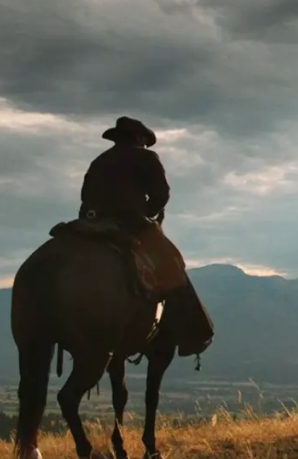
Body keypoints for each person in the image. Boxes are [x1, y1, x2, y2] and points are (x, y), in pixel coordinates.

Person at [72, 116, 213, 357]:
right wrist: (147, 213)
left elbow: (85, 195)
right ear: (138, 138)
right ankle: (195, 333)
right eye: (144, 141)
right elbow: (161, 195)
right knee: (172, 261)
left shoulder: (100, 161)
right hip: (129, 223)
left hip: (90, 223)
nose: (146, 146)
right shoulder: (146, 157)